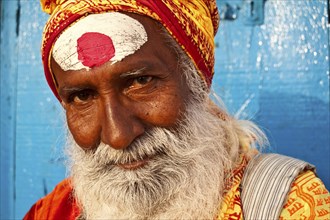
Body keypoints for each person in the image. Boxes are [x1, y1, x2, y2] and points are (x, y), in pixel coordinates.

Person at [24, 0, 330, 219]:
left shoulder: (283, 203)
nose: (117, 135)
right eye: (82, 97)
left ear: (195, 81)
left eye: (140, 81)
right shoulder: (56, 210)